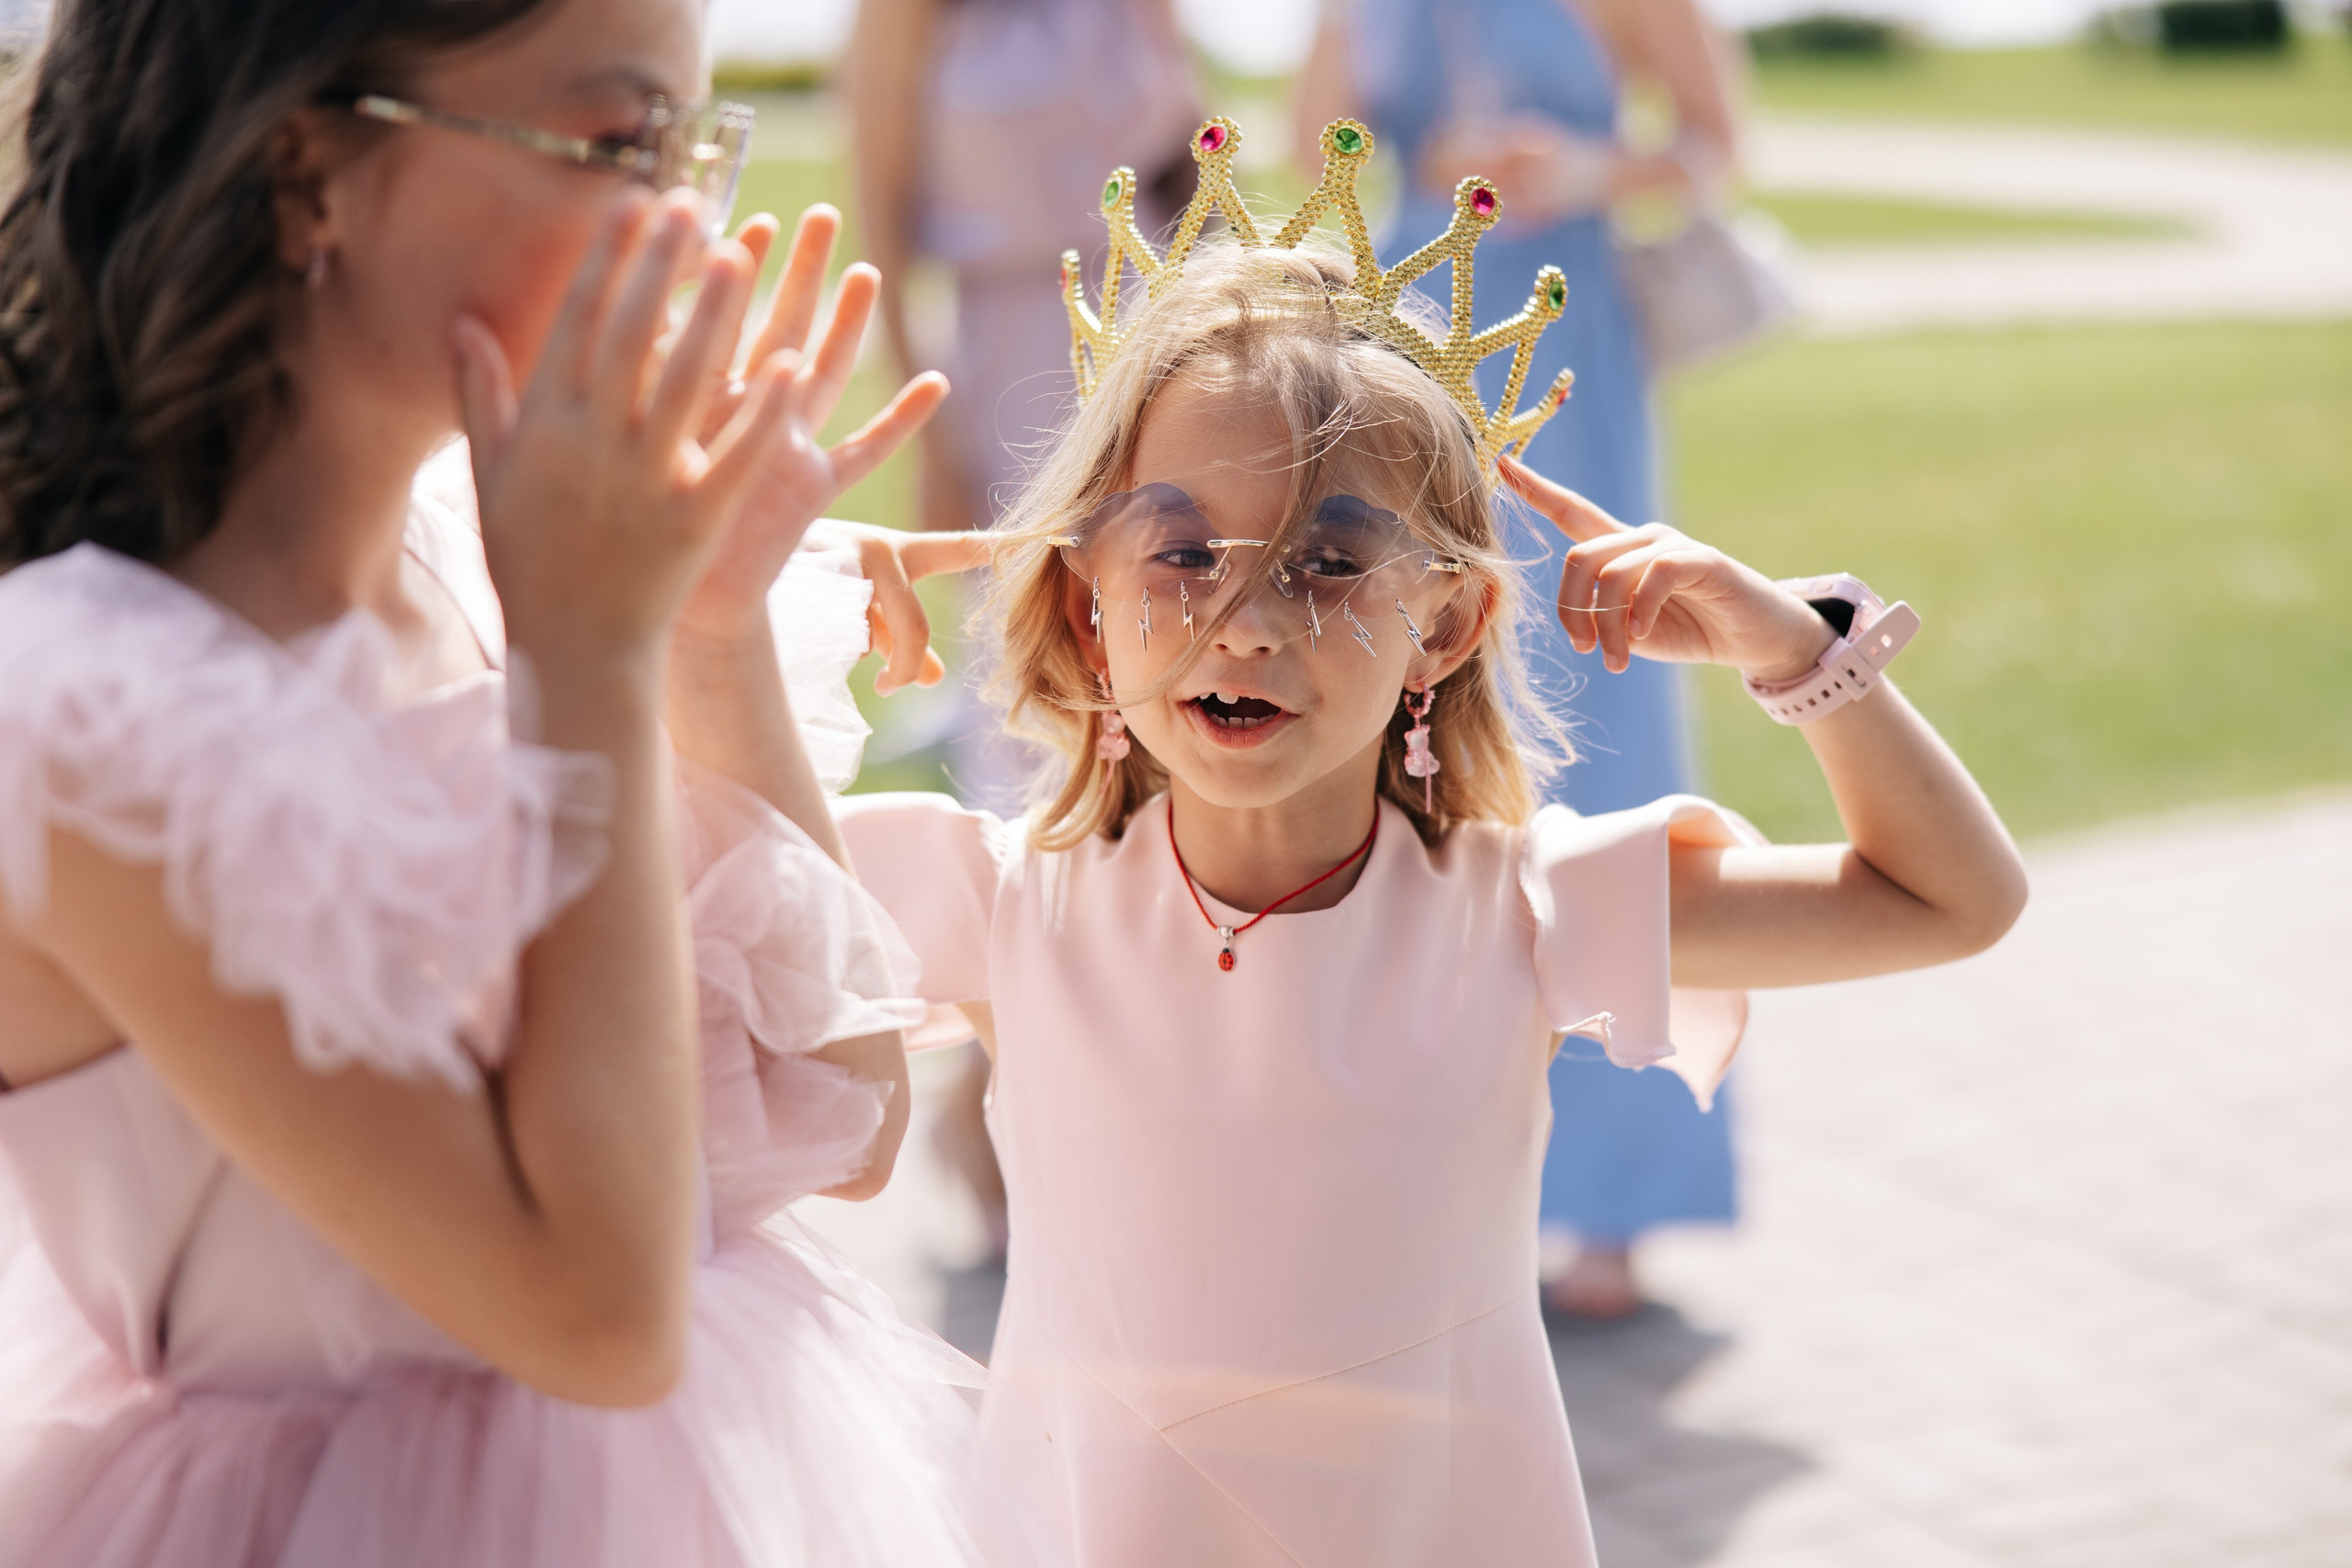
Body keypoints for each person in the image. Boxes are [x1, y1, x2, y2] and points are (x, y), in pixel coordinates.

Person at [824, 122, 2029, 1565]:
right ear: (1088, 604)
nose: (1250, 619)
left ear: (1445, 626)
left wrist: (1794, 652)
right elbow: (650, 881)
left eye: (1331, 562)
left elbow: (1945, 901)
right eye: (1182, 553)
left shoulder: (1524, 908)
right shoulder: (997, 906)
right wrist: (758, 617)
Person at [0, 0, 988, 1562]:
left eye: (691, 151)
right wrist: (585, 663)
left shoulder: (490, 554)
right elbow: (594, 1311)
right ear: (305, 169)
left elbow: (838, 1125)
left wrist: (707, 636)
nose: (684, 233)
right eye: (615, 145)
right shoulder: (85, 707)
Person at [1295, 0, 1752, 1316]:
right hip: (1408, 356)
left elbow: (1719, 145)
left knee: (1601, 731)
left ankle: (1618, 1198)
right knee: (1407, 740)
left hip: (1569, 350)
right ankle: (1420, 1179)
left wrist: (1587, 171)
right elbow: (1308, 145)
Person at [846, 0, 1201, 1261]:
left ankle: (1142, 1097)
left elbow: (1197, 171)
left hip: (1159, 355)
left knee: (1161, 725)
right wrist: (921, 419)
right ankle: (1002, 1097)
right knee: (1035, 729)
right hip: (1005, 366)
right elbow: (881, 210)